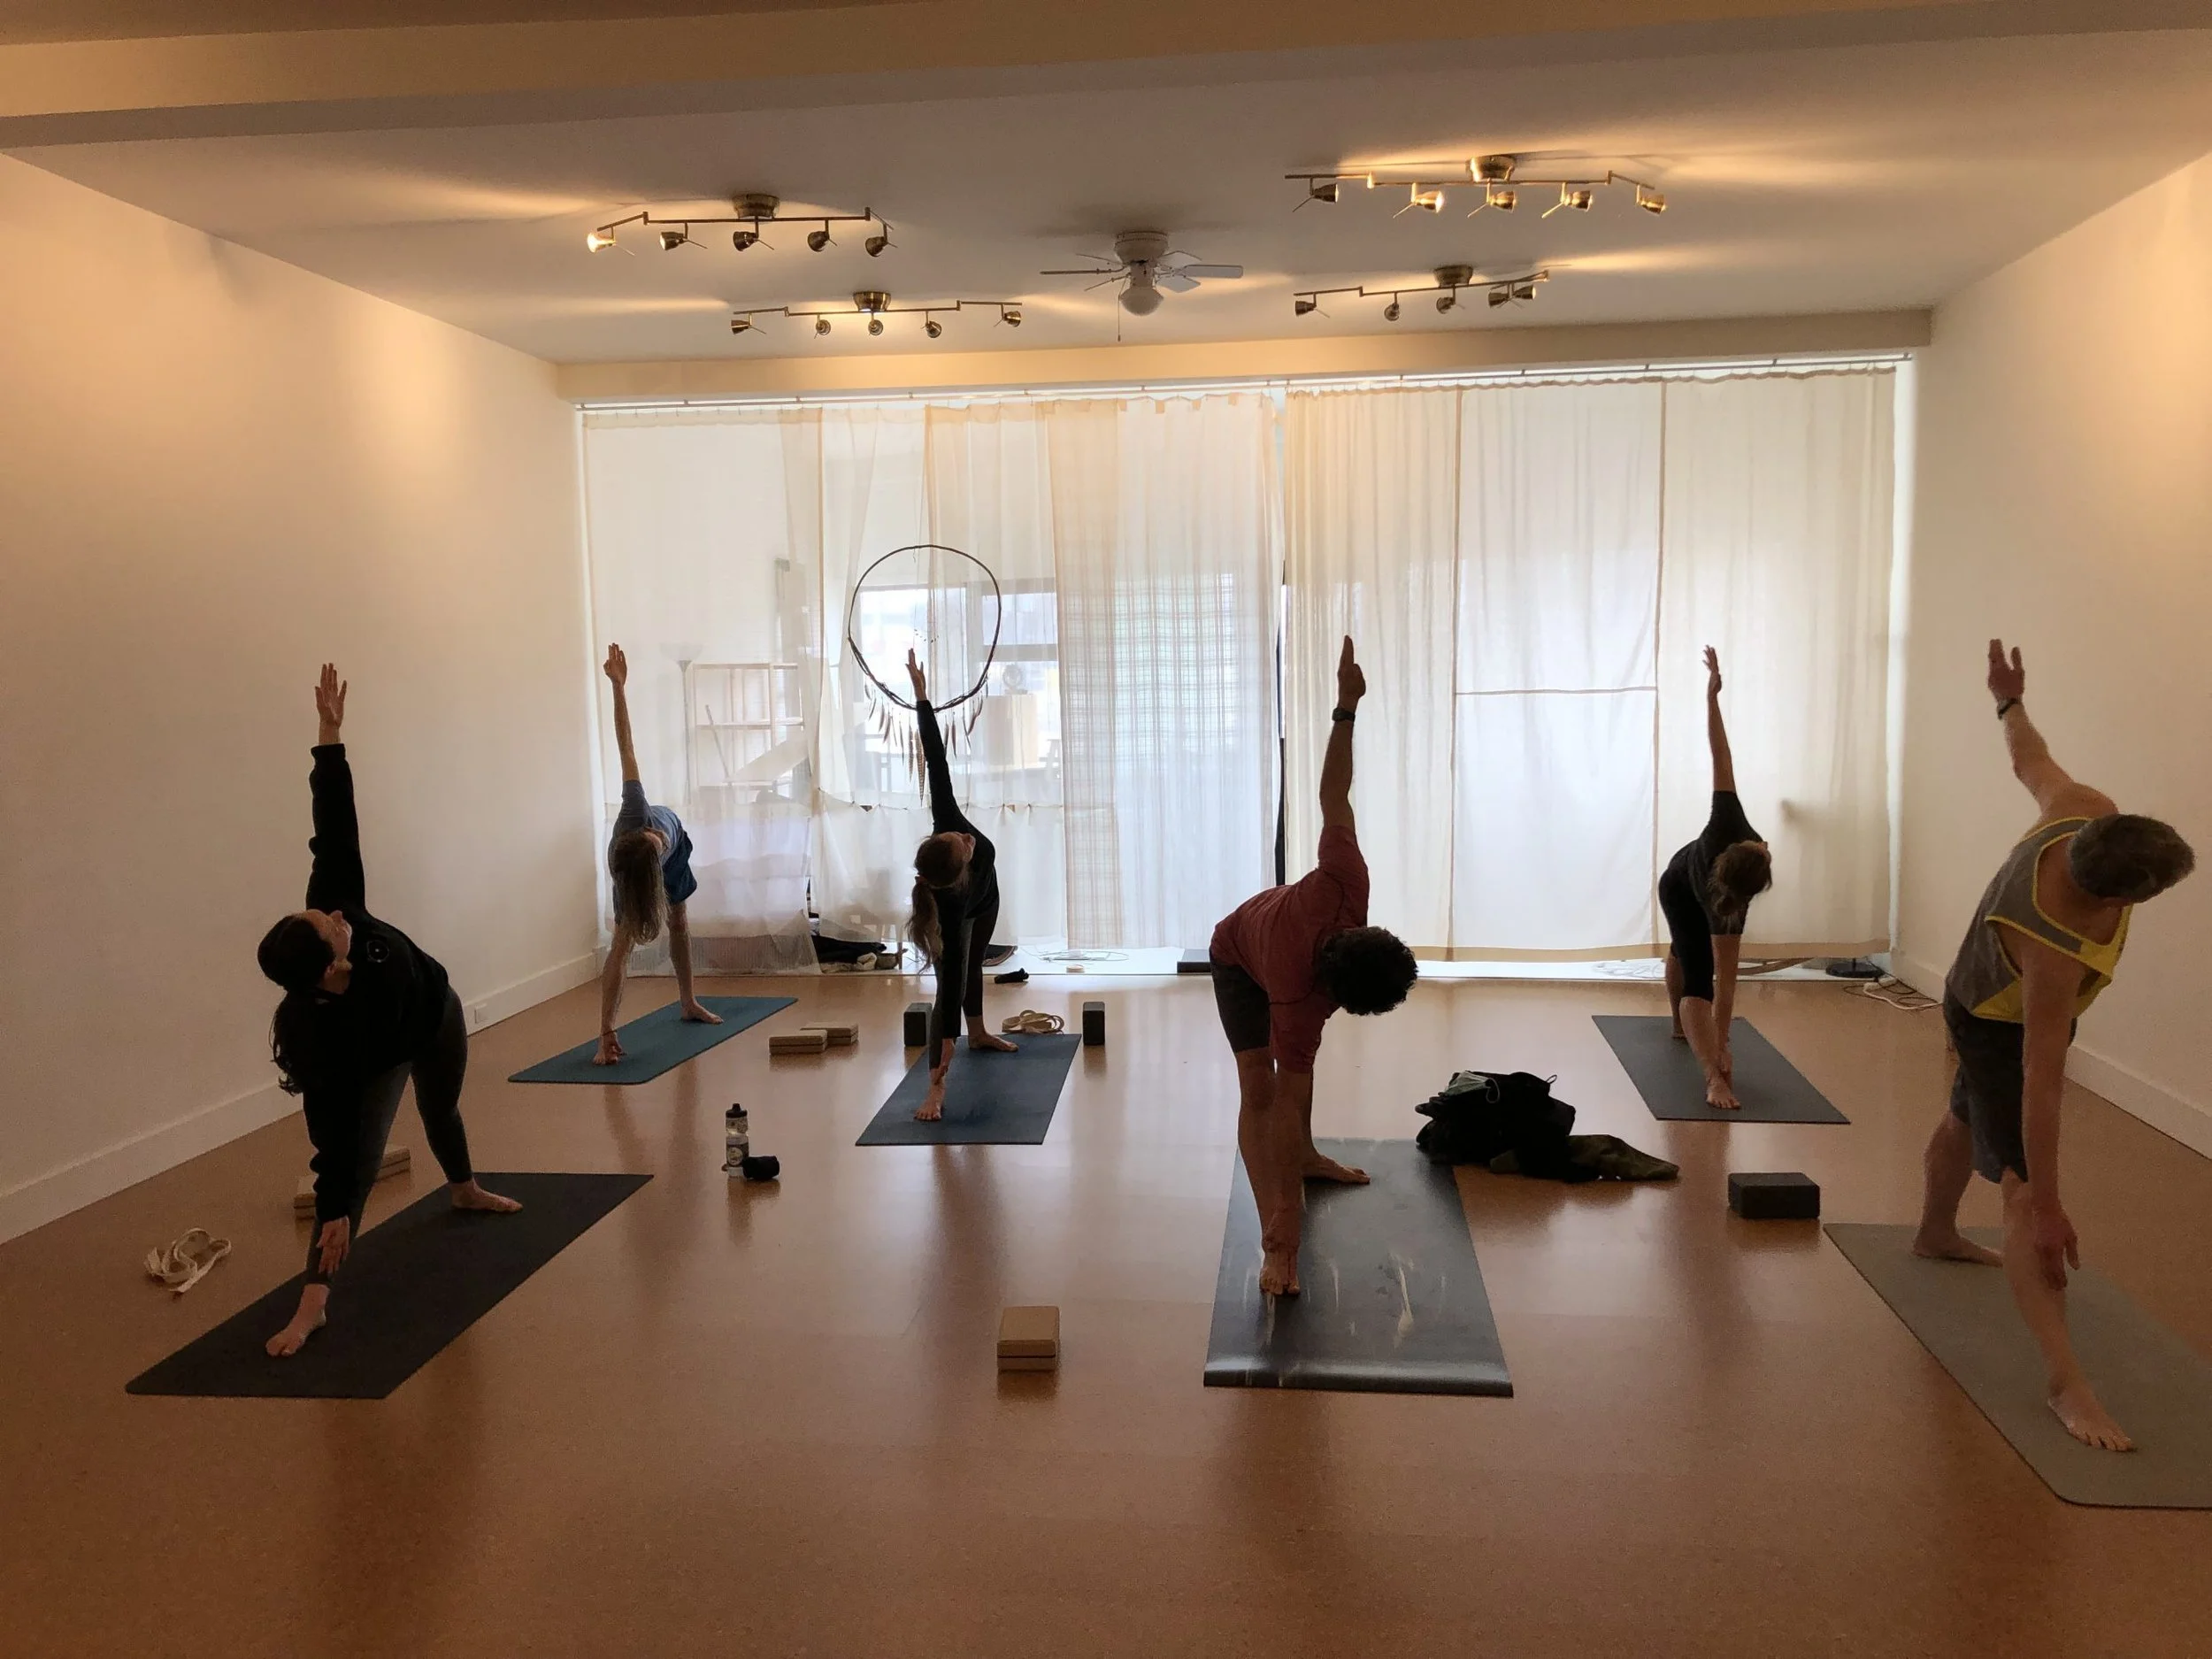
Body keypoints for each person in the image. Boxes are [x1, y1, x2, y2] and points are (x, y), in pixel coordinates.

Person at [1913, 640, 2193, 1453]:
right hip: (1992, 1017)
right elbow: (2042, 1081)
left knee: (1966, 1117)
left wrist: (2008, 700)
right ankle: (2066, 1383)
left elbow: (2027, 759)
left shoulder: (2080, 809)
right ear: (2121, 895)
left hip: (1982, 993)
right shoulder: (2051, 950)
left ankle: (1933, 1232)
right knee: (2021, 1192)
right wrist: (2048, 1205)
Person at [254, 665, 520, 1359]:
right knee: (356, 1166)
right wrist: (336, 1208)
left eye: (318, 911)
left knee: (441, 1110)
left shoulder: (334, 902)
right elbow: (330, 1134)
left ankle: (463, 1188)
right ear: (327, 968)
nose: (335, 914)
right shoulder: (322, 1036)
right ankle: (312, 1303)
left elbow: (333, 828)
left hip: (436, 1013)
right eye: (327, 925)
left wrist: (329, 737)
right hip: (379, 1051)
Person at [1209, 638, 1419, 1296]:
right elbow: (1285, 1099)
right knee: (1260, 1087)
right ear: (1336, 998)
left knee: (1294, 1081)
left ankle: (1305, 1157)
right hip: (1237, 957)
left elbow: (1334, 792)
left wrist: (1346, 707)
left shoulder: (1345, 881)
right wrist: (1287, 1234)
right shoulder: (1298, 1000)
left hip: (1273, 928)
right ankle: (1271, 1234)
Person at [904, 650, 1018, 1119]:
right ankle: (936, 1083)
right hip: (967, 912)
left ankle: (981, 1032)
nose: (967, 837)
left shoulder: (947, 820)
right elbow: (946, 1000)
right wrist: (937, 1084)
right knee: (950, 984)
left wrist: (922, 697)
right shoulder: (947, 915)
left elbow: (936, 759)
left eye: (959, 836)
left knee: (976, 967)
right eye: (964, 844)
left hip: (987, 899)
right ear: (960, 870)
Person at [595, 643, 720, 1064]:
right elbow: (619, 957)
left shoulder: (635, 810)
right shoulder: (628, 880)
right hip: (639, 877)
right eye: (654, 840)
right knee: (623, 942)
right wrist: (605, 1033)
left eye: (651, 837)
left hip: (680, 842)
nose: (656, 836)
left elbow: (625, 746)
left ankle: (688, 1001)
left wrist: (618, 687)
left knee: (679, 919)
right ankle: (605, 1031)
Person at [1661, 646, 1773, 1110]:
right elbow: (1719, 750)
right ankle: (1702, 1065)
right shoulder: (1728, 826)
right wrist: (1718, 1068)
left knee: (1700, 973)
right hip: (1677, 885)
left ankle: (1702, 1052)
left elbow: (1727, 984)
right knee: (1692, 970)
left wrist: (1723, 1043)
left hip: (1702, 890)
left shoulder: (1729, 824)